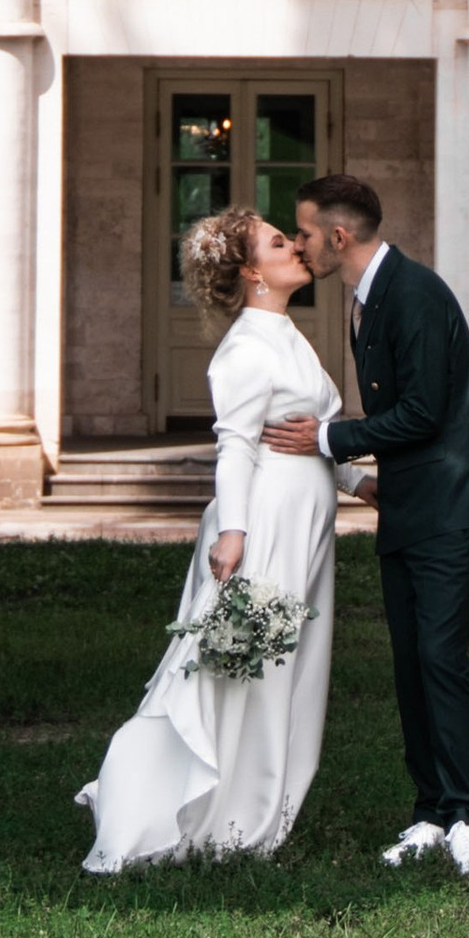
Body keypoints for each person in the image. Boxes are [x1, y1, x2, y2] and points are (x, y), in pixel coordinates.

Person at [76, 208, 349, 870]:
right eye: (279, 243)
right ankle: (199, 814)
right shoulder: (246, 349)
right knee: (236, 667)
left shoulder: (288, 336)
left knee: (288, 666)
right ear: (252, 272)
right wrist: (233, 533)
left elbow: (313, 436)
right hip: (263, 526)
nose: (296, 249)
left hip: (304, 523)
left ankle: (257, 809)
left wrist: (366, 488)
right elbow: (234, 445)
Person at [266, 173, 469, 878]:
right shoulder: (369, 297)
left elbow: (424, 413)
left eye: (306, 233)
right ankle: (431, 813)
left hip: (456, 506)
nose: (301, 244)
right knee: (410, 664)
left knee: (440, 657)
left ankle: (468, 817)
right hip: (410, 506)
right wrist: (370, 481)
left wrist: (326, 441)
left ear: (338, 236)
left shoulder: (414, 293)